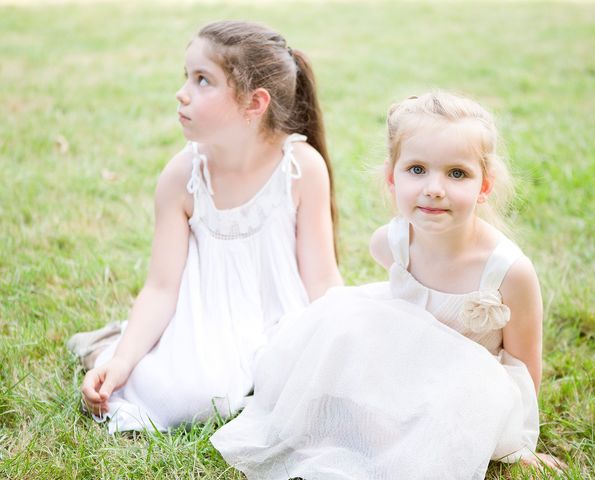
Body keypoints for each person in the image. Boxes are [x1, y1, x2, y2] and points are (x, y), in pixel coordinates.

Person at [210, 91, 562, 479]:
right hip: (404, 370)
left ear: (485, 186)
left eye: (457, 173)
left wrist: (519, 442)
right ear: (391, 177)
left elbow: (523, 366)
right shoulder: (390, 243)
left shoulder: (508, 272)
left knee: (431, 444)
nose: (434, 188)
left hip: (458, 386)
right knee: (340, 331)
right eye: (416, 169)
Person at [68, 20, 342, 434]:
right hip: (206, 321)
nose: (182, 93)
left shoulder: (301, 168)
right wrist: (122, 362)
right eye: (187, 77)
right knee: (191, 399)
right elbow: (161, 288)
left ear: (255, 103)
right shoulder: (183, 176)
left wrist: (339, 343)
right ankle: (111, 346)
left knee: (311, 388)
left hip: (281, 319)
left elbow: (321, 278)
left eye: (202, 80)